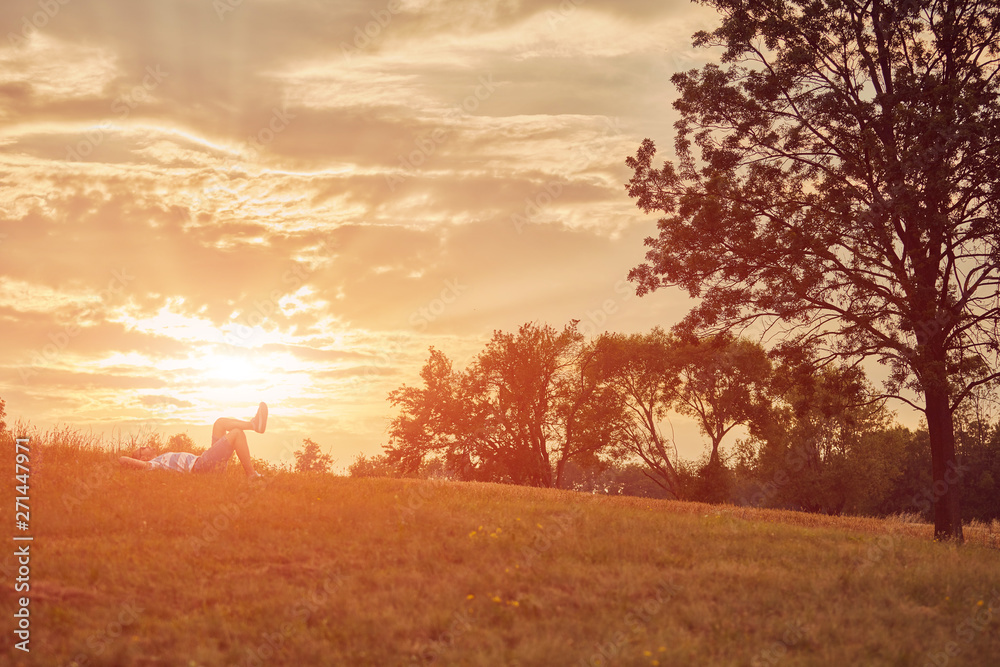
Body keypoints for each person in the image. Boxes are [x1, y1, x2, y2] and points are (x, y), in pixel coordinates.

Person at [119, 402, 268, 480]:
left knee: (220, 423)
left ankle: (254, 425)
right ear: (143, 457)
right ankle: (251, 475)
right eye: (142, 448)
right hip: (201, 467)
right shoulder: (154, 464)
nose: (146, 446)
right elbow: (123, 459)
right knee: (237, 434)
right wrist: (133, 461)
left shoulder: (159, 459)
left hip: (205, 462)